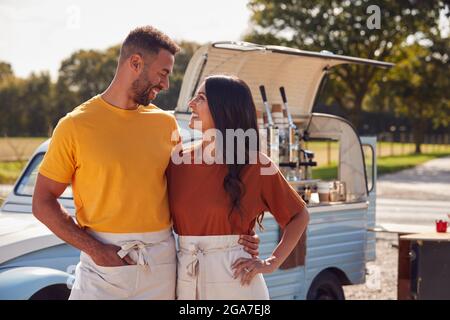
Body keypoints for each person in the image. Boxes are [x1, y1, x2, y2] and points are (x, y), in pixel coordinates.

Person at [32, 26, 258, 300]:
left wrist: (235, 236)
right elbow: (43, 201)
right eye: (163, 74)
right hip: (103, 268)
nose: (165, 85)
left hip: (162, 265)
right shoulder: (75, 126)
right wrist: (96, 250)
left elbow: (194, 191)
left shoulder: (165, 123)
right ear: (136, 63)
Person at [167, 75, 310, 300]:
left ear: (224, 109)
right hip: (186, 278)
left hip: (237, 282)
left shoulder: (257, 165)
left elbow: (299, 215)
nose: (191, 104)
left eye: (201, 98)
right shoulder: (178, 158)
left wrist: (271, 262)